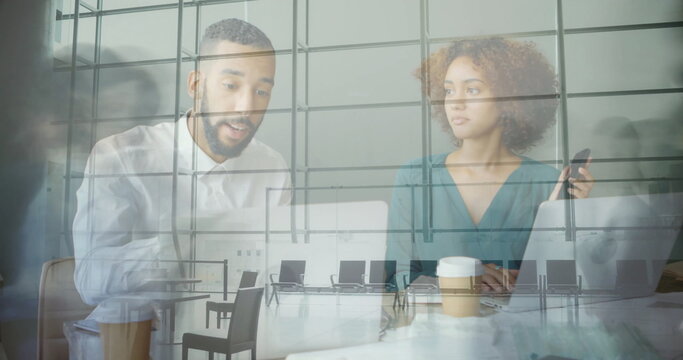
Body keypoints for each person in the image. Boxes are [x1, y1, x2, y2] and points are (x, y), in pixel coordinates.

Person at [72, 19, 290, 359]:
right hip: (136, 346)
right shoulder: (120, 156)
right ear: (196, 84)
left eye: (261, 91)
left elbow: (272, 274)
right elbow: (90, 280)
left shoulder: (271, 167)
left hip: (231, 342)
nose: (246, 107)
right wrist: (182, 245)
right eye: (231, 85)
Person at [386, 38, 594, 293]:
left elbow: (564, 282)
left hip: (520, 328)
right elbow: (396, 277)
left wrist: (573, 220)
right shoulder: (415, 178)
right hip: (437, 327)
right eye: (449, 90)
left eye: (472, 90)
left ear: (510, 99)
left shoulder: (548, 183)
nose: (455, 102)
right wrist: (460, 281)